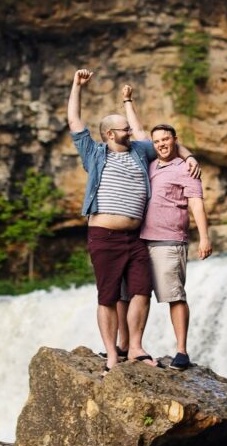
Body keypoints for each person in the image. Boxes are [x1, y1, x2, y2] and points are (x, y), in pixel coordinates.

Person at [66, 69, 200, 375]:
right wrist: (77, 86)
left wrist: (190, 157)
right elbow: (75, 122)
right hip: (104, 235)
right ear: (110, 134)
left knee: (141, 290)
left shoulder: (139, 151)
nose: (130, 131)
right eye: (124, 129)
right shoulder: (95, 153)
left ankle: (136, 348)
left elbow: (171, 146)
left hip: (136, 237)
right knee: (108, 296)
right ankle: (113, 354)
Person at [124, 85, 212, 370]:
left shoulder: (186, 169)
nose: (161, 143)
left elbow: (196, 203)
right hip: (141, 241)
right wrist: (128, 100)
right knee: (137, 293)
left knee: (174, 295)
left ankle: (182, 352)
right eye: (157, 140)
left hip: (169, 241)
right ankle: (130, 347)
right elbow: (137, 130)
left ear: (175, 140)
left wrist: (204, 238)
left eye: (166, 139)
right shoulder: (149, 160)